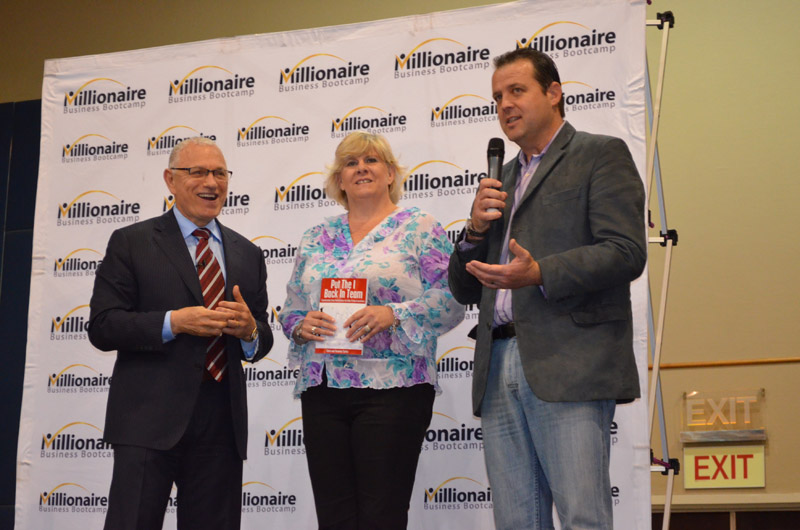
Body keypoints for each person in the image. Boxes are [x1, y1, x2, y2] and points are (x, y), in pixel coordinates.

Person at [448, 48, 647, 530]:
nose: (505, 105)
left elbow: (625, 252)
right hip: (497, 363)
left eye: (517, 91)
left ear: (554, 93)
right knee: (516, 521)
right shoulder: (499, 179)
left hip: (569, 361)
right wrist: (473, 231)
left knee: (583, 517)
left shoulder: (599, 154)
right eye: (498, 97)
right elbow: (463, 289)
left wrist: (540, 273)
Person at [278, 131, 464, 529]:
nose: (361, 168)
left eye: (372, 160)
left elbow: (451, 300)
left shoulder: (419, 227)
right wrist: (300, 325)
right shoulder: (316, 237)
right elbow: (291, 309)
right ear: (339, 180)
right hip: (323, 388)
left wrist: (393, 313)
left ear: (391, 174)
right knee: (334, 517)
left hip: (393, 389)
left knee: (382, 515)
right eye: (351, 163)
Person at [88, 137, 273, 530]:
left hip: (222, 423)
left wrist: (249, 331)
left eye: (220, 173)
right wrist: (173, 322)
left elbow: (262, 336)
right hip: (147, 419)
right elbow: (103, 326)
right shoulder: (132, 242)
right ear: (170, 180)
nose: (211, 182)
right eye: (198, 172)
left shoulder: (248, 253)